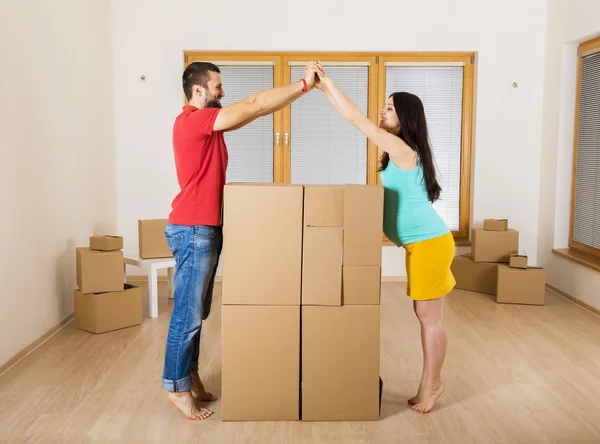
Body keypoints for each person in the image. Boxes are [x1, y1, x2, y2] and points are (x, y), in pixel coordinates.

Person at [164, 61, 324, 420]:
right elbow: (254, 103)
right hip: (192, 229)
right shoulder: (193, 121)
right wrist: (301, 84)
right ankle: (175, 386)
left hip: (202, 228)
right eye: (217, 86)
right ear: (198, 90)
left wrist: (299, 93)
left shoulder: (210, 128)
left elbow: (258, 109)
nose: (223, 92)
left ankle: (189, 376)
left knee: (197, 313)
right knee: (186, 317)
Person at [313, 64, 455, 414]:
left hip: (430, 245)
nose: (382, 110)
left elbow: (357, 121)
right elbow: (360, 120)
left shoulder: (403, 151)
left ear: (405, 117)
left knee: (429, 317)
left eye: (390, 107)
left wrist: (328, 83)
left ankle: (433, 384)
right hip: (421, 246)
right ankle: (428, 383)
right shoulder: (400, 152)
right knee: (425, 315)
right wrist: (323, 89)